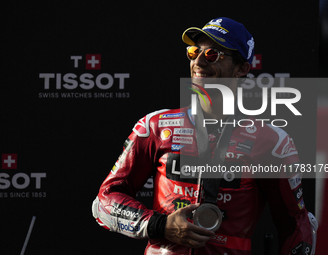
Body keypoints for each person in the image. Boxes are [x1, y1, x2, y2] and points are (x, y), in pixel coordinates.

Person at [92, 17, 316, 255]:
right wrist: (161, 225)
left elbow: (297, 226)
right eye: (193, 51)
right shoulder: (155, 127)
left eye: (213, 54)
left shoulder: (272, 142)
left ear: (242, 69)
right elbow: (104, 202)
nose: (198, 61)